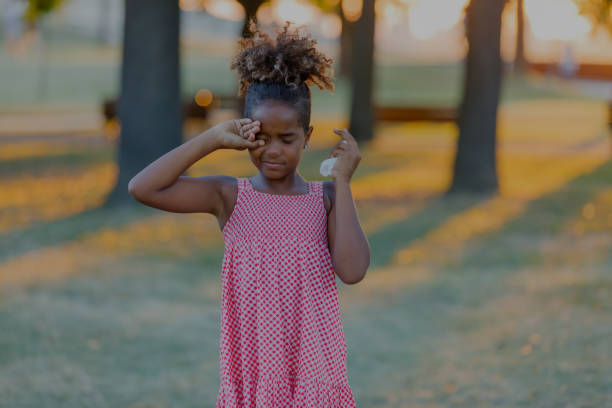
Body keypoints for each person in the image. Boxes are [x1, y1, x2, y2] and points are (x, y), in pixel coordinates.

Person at [128, 20, 370, 407]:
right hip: (255, 372)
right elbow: (143, 188)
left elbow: (354, 271)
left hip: (314, 369)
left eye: (287, 139)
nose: (272, 150)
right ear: (245, 132)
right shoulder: (228, 195)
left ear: (307, 137)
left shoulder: (324, 198)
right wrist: (211, 139)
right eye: (261, 136)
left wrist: (343, 182)